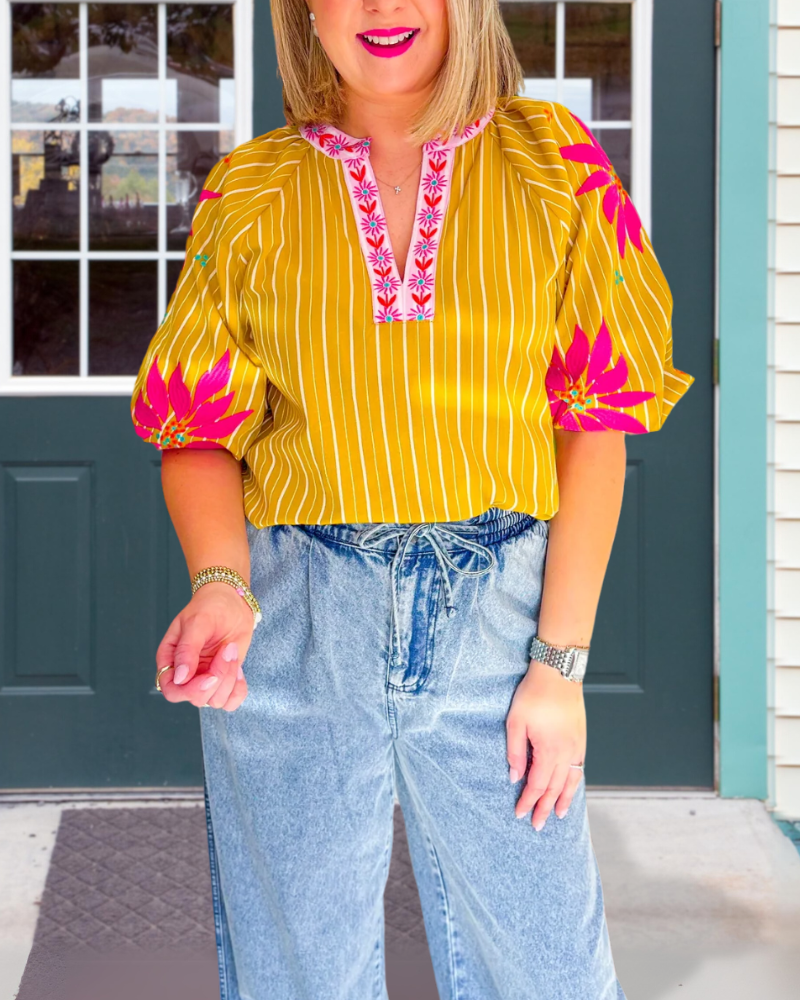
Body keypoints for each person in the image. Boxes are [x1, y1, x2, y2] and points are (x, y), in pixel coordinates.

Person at [130, 0, 693, 996]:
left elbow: (590, 429)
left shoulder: (552, 163)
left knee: (546, 969)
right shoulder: (249, 193)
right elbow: (197, 434)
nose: (381, 8)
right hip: (298, 617)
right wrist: (220, 584)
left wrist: (558, 669)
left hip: (499, 618)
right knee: (297, 973)